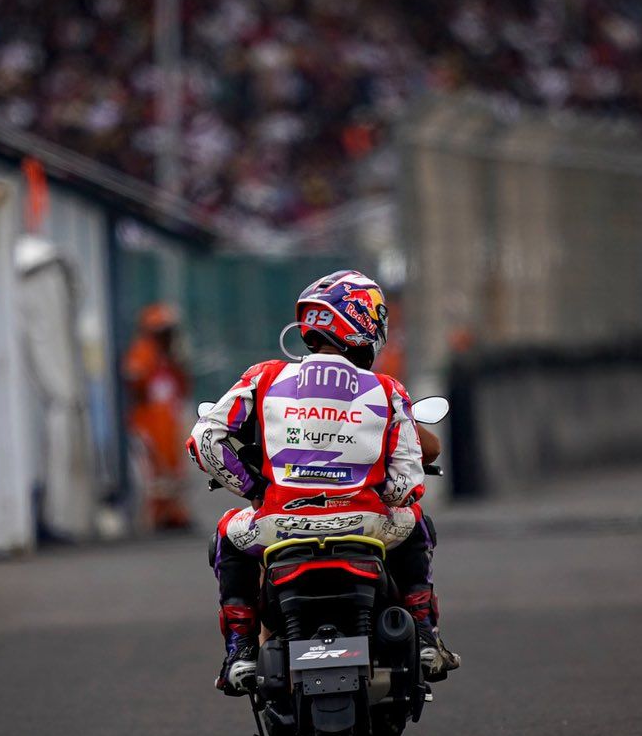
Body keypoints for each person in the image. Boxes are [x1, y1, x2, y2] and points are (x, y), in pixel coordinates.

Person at [190, 270, 460, 694]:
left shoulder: (265, 377)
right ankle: (426, 636)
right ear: (362, 323)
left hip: (279, 524)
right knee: (415, 521)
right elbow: (407, 481)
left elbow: (205, 438)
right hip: (365, 524)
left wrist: (254, 490)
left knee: (227, 531)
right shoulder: (385, 388)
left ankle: (240, 650)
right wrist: (380, 495)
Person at [123, 303, 194, 532]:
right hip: (149, 419)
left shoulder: (171, 356)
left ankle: (174, 511)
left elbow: (183, 387)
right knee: (153, 469)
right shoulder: (143, 352)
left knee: (174, 467)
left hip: (169, 418)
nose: (167, 337)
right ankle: (157, 513)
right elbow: (134, 381)